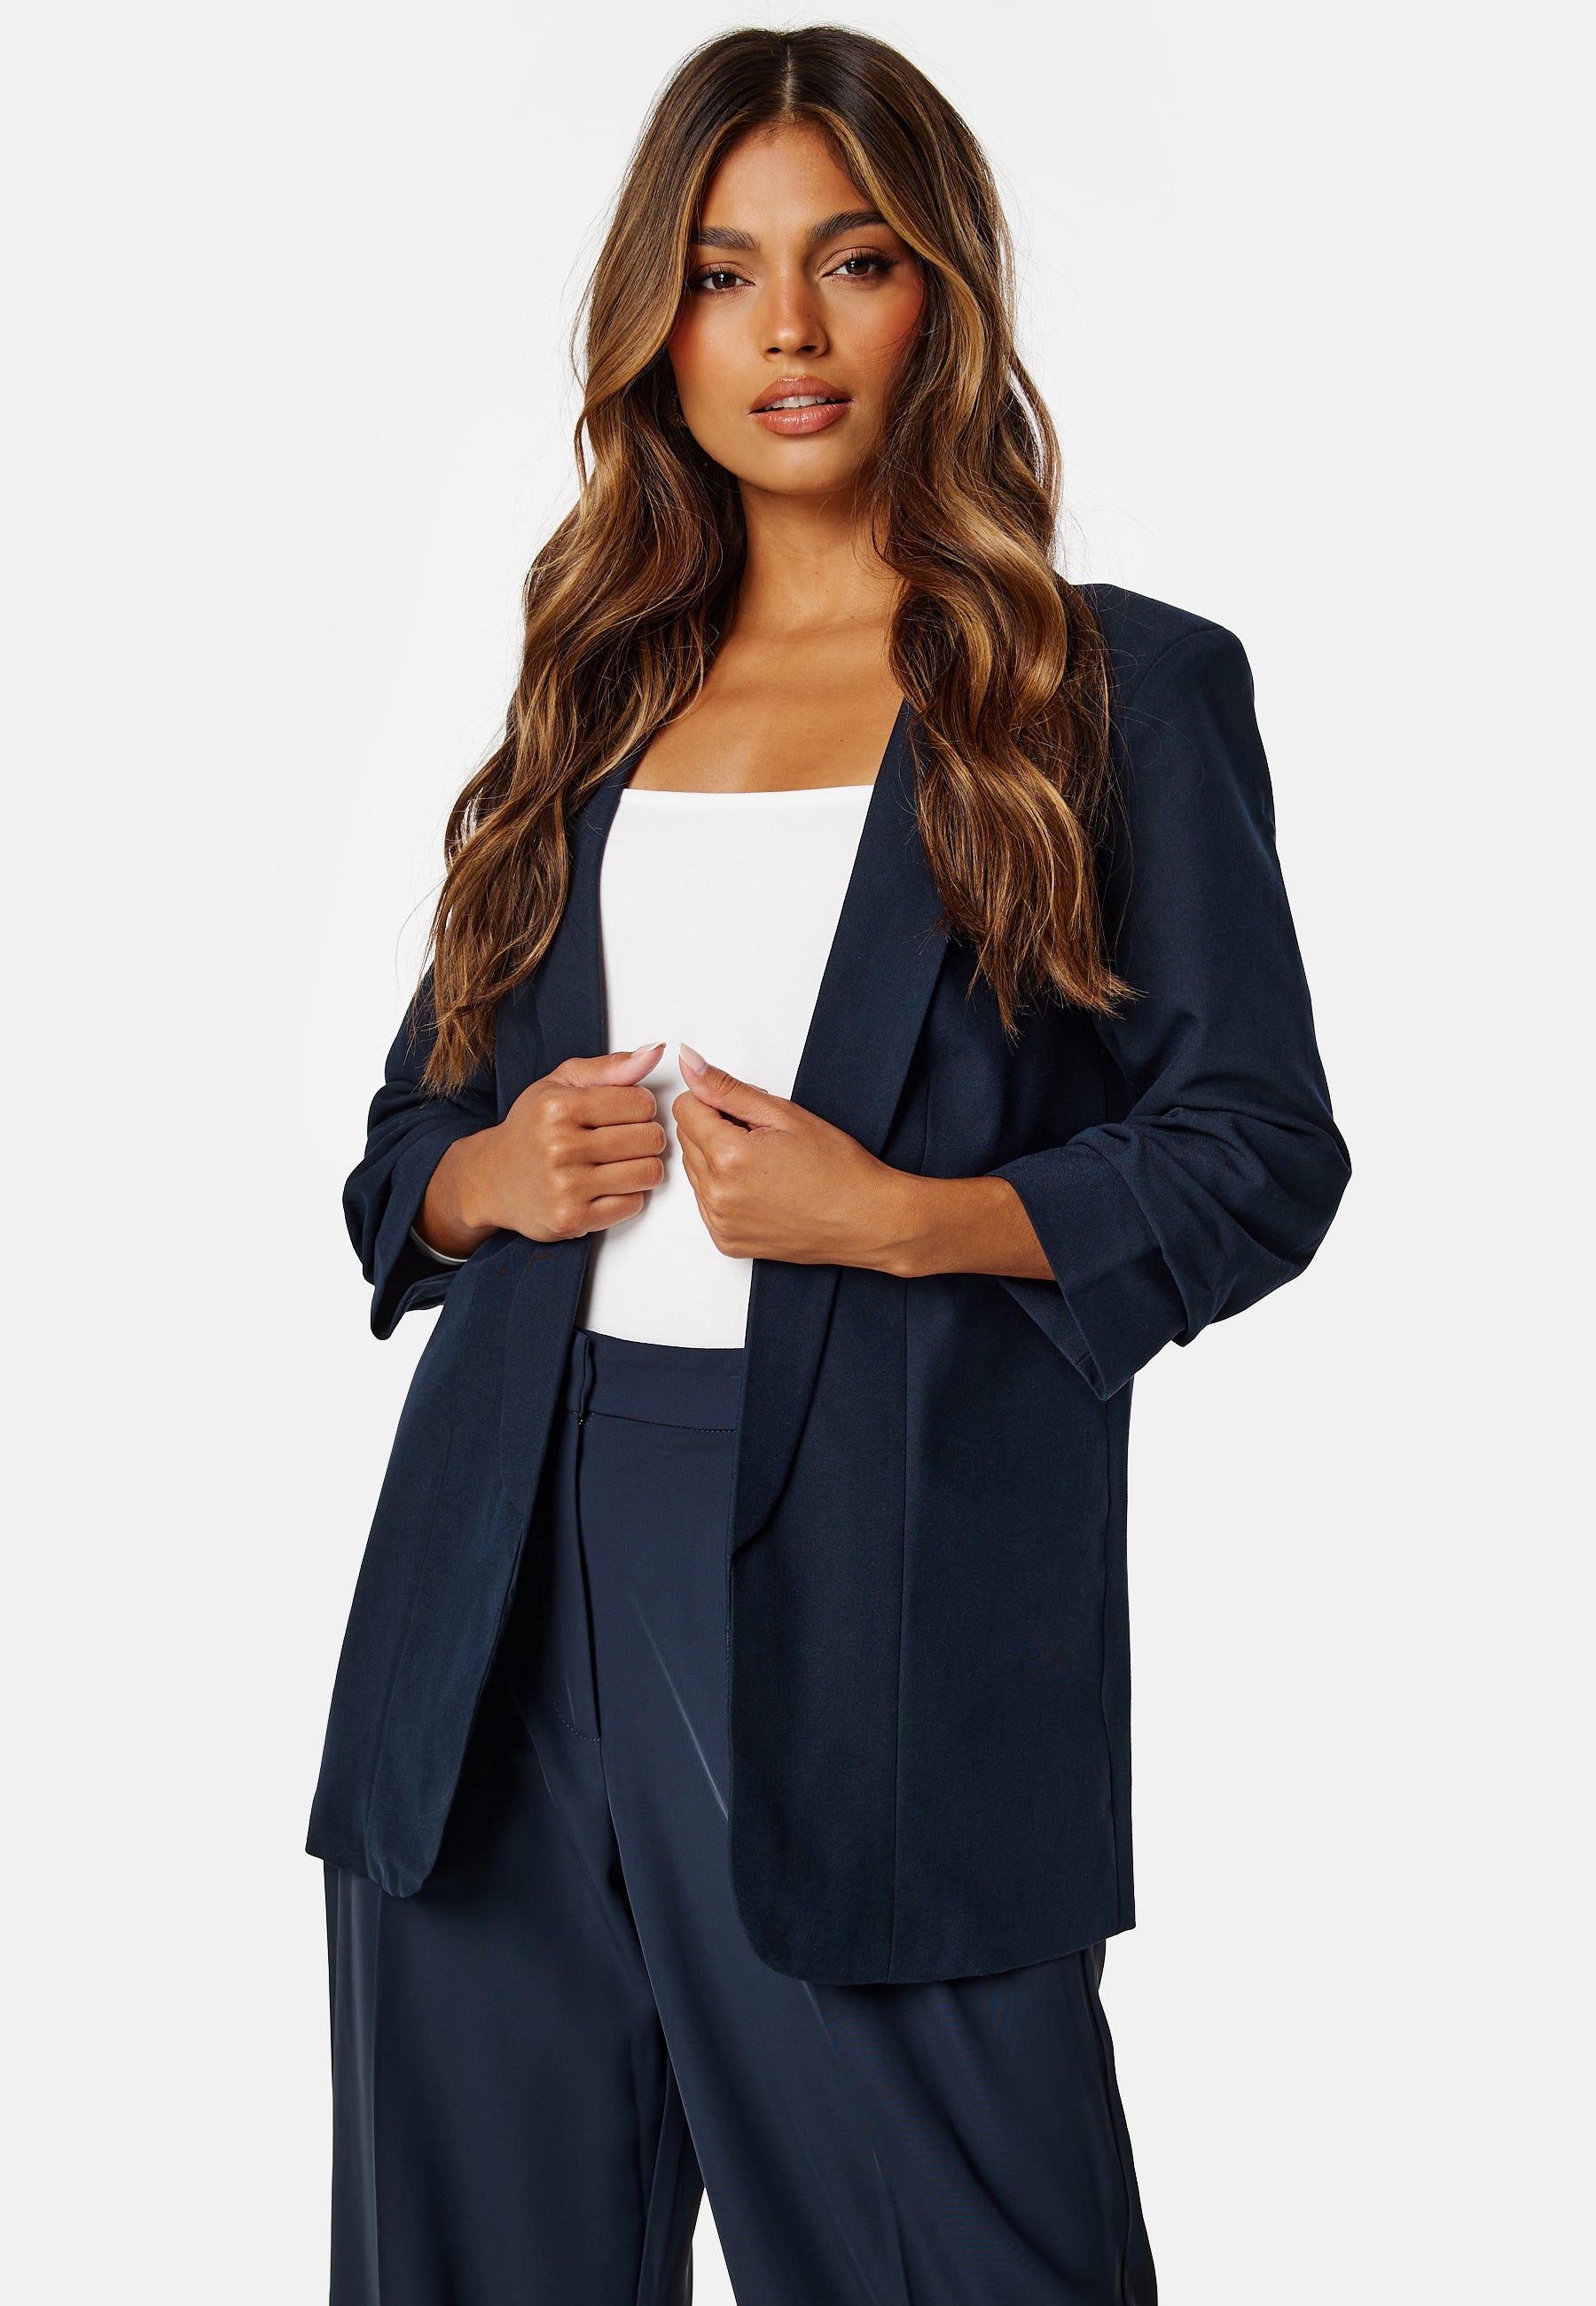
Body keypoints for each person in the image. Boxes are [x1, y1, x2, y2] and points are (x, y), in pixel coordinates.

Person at [308, 25, 1350, 2305]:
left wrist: (896, 1218)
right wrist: (498, 1172)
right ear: (655, 327)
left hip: (893, 1603)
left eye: (852, 261)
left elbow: (1260, 1153)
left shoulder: (1112, 693)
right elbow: (403, 1159)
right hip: (494, 1588)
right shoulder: (589, 701)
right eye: (721, 272)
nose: (787, 328)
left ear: (938, 293)